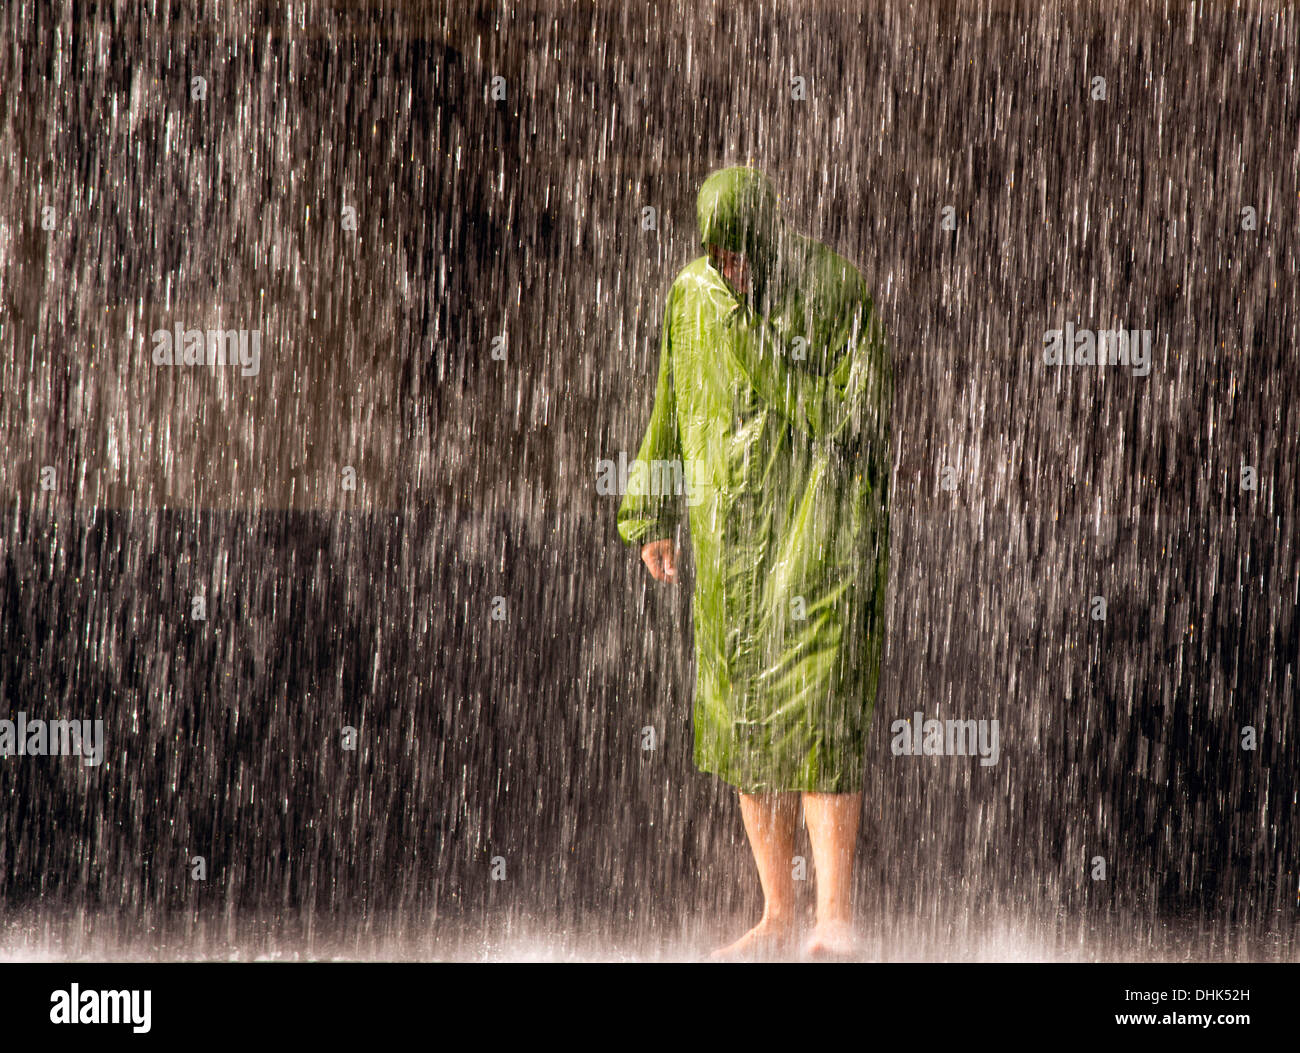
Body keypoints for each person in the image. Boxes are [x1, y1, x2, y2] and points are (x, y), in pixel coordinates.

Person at [617, 166, 892, 960]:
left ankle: (835, 916)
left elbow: (863, 417)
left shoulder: (835, 290)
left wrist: (773, 366)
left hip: (823, 538)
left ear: (769, 237)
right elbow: (670, 399)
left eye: (742, 253)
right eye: (717, 253)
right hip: (734, 541)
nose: (729, 268)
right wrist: (650, 510)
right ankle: (777, 913)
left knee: (822, 718)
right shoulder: (693, 296)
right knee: (744, 721)